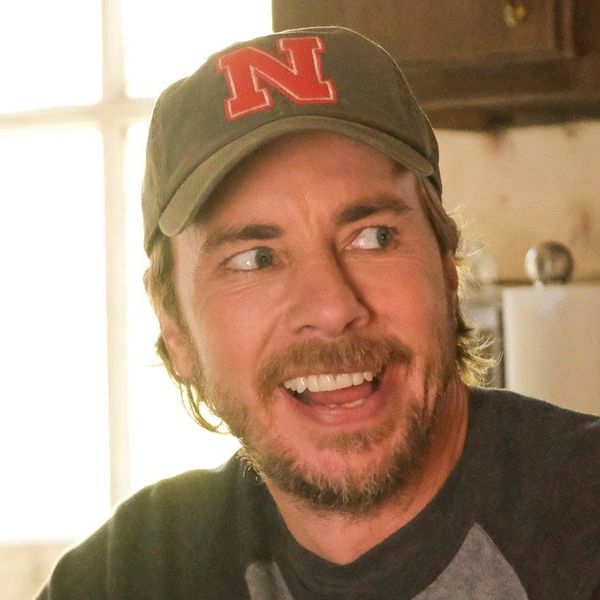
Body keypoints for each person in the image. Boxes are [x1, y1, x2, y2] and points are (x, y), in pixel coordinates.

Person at [38, 26, 600, 599]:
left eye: (374, 237)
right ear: (173, 325)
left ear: (447, 269)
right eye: (255, 259)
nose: (332, 308)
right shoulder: (125, 575)